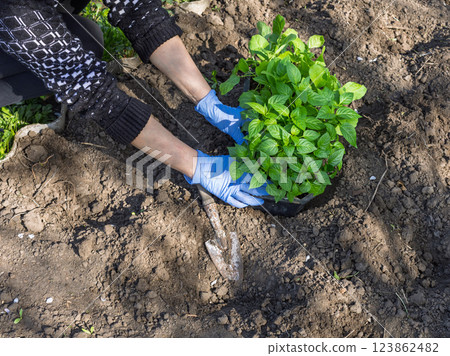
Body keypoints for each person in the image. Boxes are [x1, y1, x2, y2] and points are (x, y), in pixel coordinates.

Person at [0, 0, 267, 208]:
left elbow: (139, 11)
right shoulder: (17, 9)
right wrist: (196, 165)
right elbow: (98, 97)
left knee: (86, 38)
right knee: (76, 52)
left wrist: (210, 104)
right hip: (12, 21)